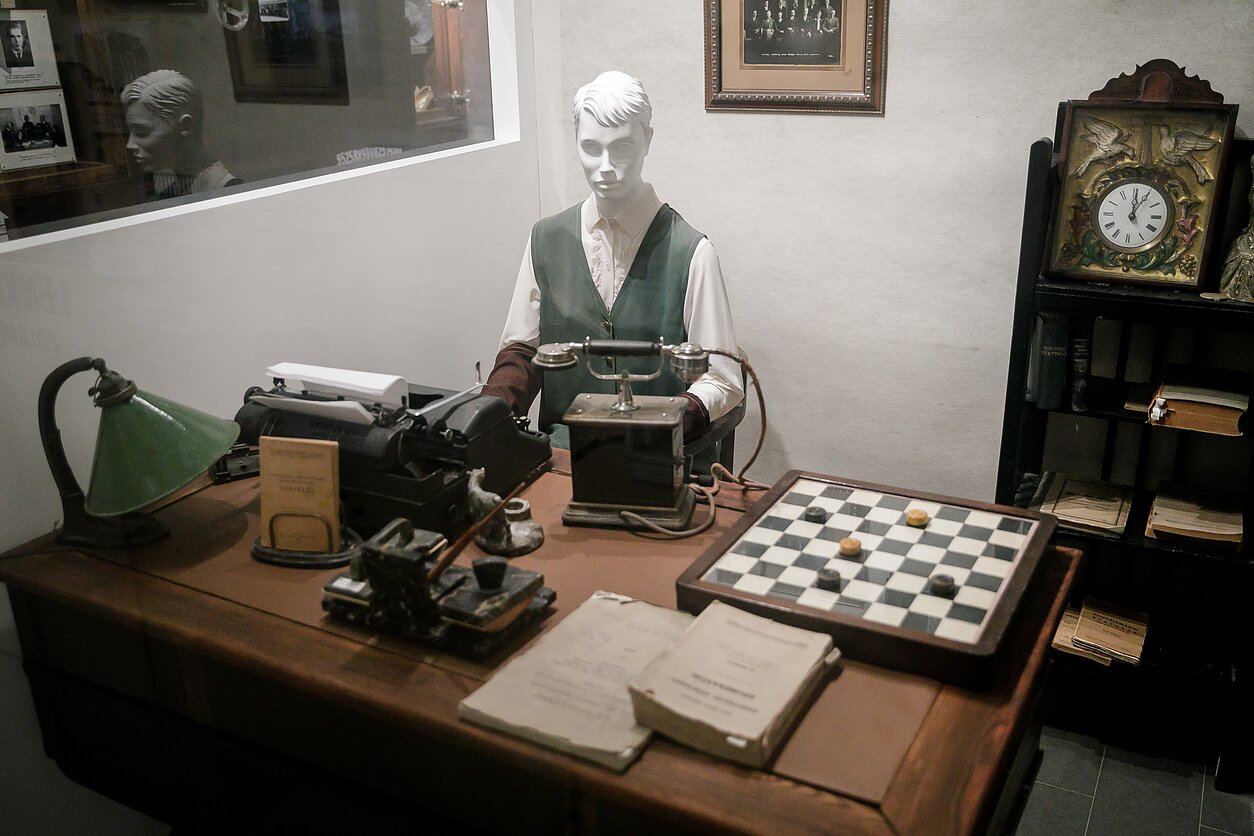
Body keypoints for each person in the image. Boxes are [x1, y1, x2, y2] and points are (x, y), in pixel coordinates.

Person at [482, 71, 743, 449]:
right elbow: (522, 352)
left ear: (647, 140)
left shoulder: (692, 253)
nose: (605, 166)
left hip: (657, 458)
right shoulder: (545, 239)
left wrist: (670, 423)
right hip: (563, 457)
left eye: (621, 147)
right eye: (591, 147)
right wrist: (486, 418)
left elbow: (723, 379)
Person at [120, 69, 242, 199]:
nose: (130, 144)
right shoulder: (170, 193)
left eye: (142, 132)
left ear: (185, 126)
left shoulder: (231, 195)